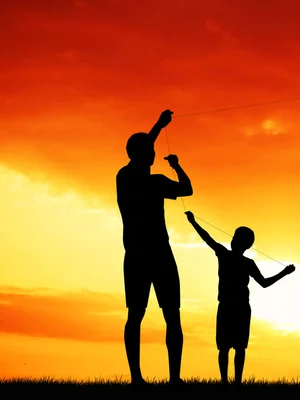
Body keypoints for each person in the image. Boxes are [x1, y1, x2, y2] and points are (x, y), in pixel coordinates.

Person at [116, 109, 193, 386]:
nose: (152, 153)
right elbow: (188, 189)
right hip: (157, 254)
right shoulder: (153, 182)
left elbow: (142, 149)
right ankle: (171, 379)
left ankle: (139, 378)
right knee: (169, 315)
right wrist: (176, 165)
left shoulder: (124, 177)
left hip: (137, 254)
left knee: (138, 315)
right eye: (149, 150)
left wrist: (158, 126)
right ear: (144, 155)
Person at [184, 210, 295, 385]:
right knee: (225, 347)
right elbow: (207, 238)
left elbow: (264, 283)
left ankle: (235, 382)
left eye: (237, 237)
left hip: (239, 308)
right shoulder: (228, 256)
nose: (233, 239)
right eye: (235, 236)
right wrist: (193, 222)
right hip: (230, 306)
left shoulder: (236, 259)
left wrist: (284, 273)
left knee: (238, 347)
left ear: (244, 244)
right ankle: (227, 382)